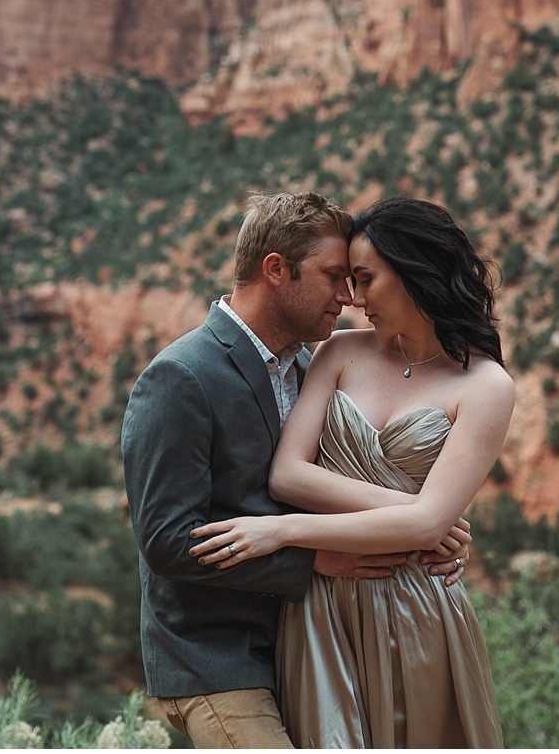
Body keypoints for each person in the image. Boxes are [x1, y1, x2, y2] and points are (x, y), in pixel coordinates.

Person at [121, 192, 473, 748]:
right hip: (216, 660)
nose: (348, 297)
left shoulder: (313, 367)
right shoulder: (181, 377)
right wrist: (310, 562)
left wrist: (428, 524)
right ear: (276, 270)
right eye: (334, 276)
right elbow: (165, 541)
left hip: (311, 644)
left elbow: (335, 487)